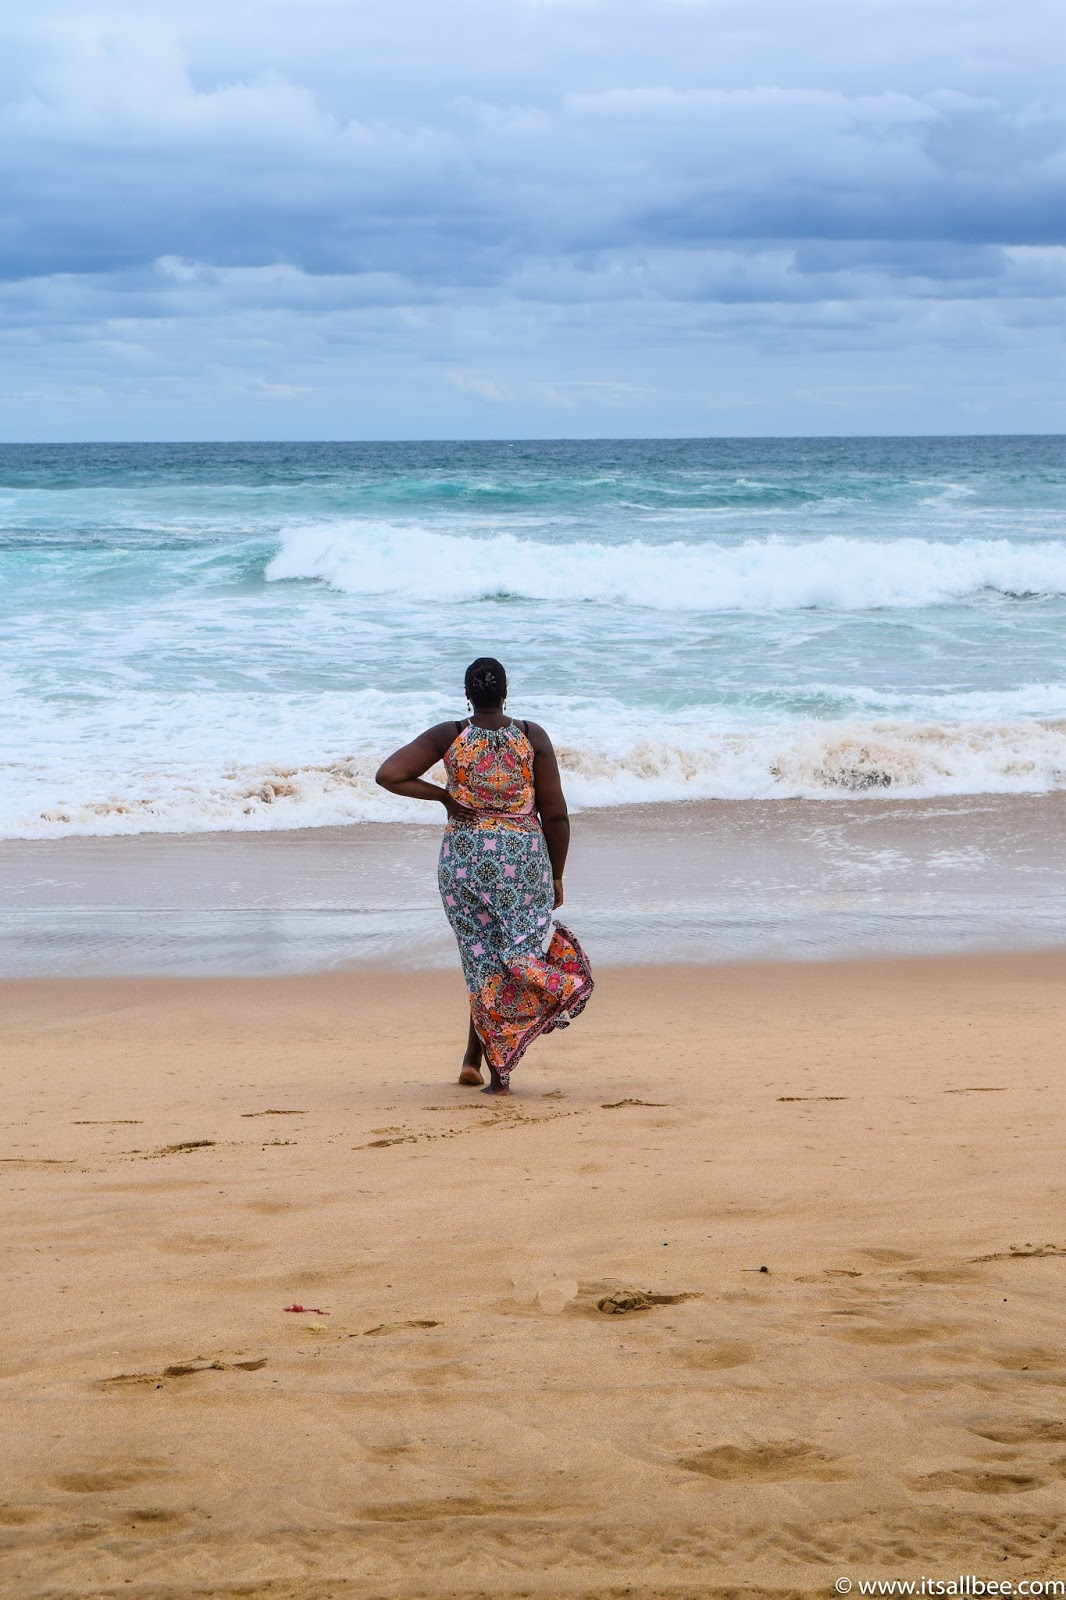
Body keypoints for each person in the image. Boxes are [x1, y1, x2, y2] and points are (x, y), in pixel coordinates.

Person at [375, 658, 593, 1093]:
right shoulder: (531, 735)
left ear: (467, 694)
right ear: (506, 693)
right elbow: (556, 815)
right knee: (514, 957)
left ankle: (475, 1061)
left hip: (465, 862)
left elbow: (390, 775)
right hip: (522, 863)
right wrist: (557, 875)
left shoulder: (451, 734)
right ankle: (520, 1043)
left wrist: (444, 797)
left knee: (481, 961)